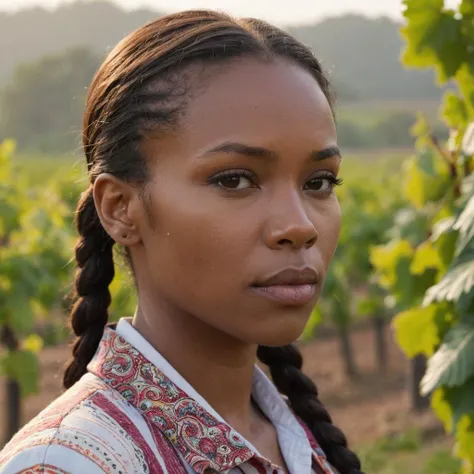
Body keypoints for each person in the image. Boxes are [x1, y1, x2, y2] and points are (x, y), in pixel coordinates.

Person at [0, 10, 364, 474]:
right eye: (235, 180)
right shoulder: (68, 464)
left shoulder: (287, 438)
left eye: (319, 182)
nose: (299, 226)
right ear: (120, 208)